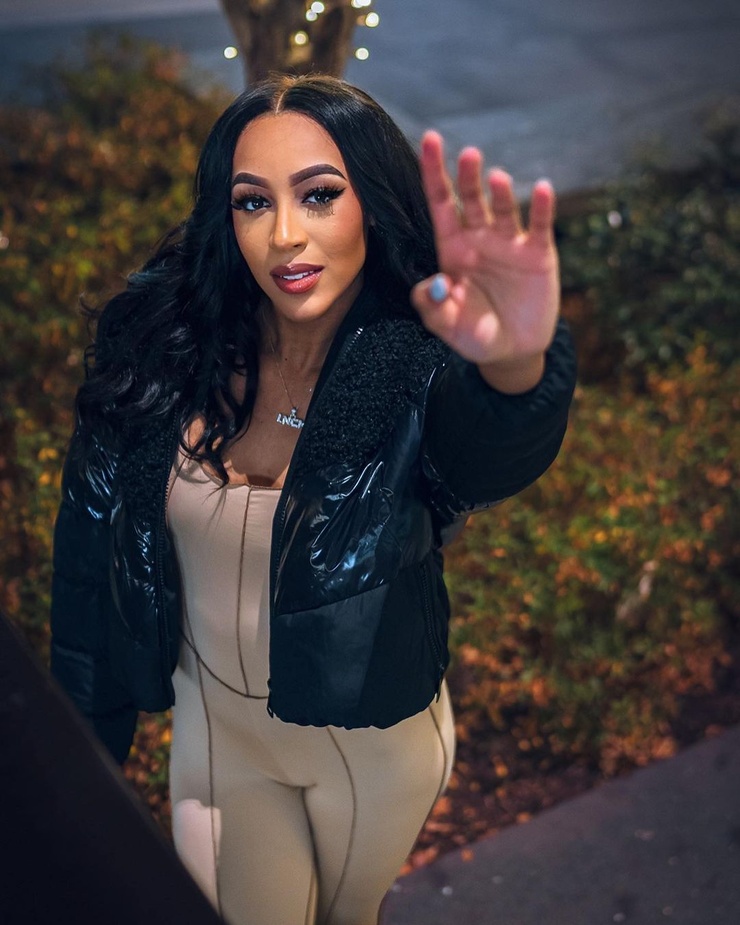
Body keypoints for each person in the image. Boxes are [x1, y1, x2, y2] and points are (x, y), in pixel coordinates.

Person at [50, 74, 576, 925]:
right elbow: (84, 565)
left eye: (320, 194)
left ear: (374, 201)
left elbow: (488, 455)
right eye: (253, 202)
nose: (285, 235)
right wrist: (78, 760)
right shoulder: (157, 349)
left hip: (370, 752)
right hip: (218, 743)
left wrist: (515, 365)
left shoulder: (416, 363)